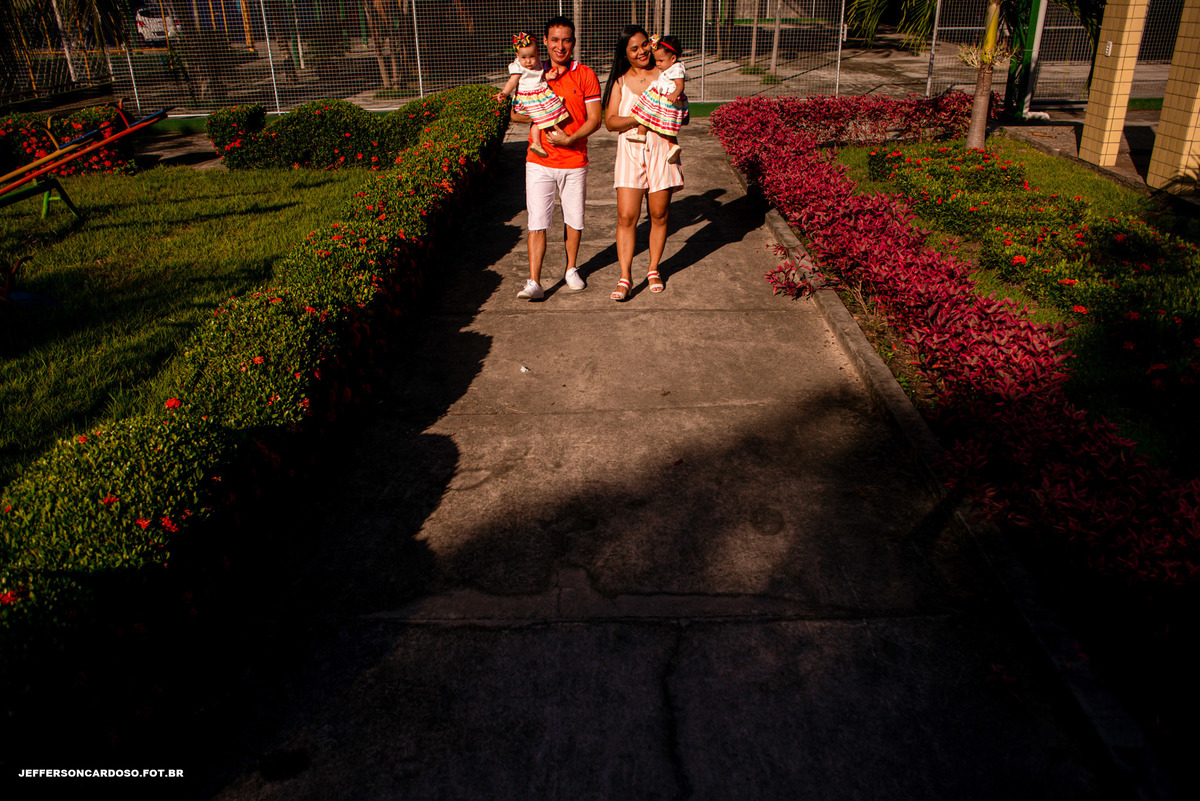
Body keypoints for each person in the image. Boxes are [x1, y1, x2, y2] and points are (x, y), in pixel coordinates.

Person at [511, 16, 603, 300]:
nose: (559, 46)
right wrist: (542, 111)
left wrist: (570, 139)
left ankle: (571, 269)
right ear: (545, 42)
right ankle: (534, 282)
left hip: (574, 161)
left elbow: (595, 119)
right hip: (539, 161)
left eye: (565, 40)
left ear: (573, 43)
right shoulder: (531, 72)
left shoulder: (585, 74)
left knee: (574, 219)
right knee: (537, 222)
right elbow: (515, 113)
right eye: (554, 40)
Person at [602, 25, 685, 301]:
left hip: (662, 149)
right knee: (627, 216)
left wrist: (676, 107)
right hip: (630, 150)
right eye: (634, 48)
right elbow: (610, 122)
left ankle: (653, 269)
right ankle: (625, 276)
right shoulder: (620, 82)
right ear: (625, 53)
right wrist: (639, 118)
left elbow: (683, 114)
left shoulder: (666, 74)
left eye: (644, 45)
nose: (642, 52)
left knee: (659, 214)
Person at [495, 32, 569, 158]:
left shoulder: (538, 64)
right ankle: (537, 142)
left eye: (532, 56)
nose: (528, 61)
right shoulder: (518, 67)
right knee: (540, 118)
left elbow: (539, 78)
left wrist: (548, 76)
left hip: (539, 94)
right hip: (528, 97)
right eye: (524, 57)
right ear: (517, 56)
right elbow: (512, 81)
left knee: (550, 112)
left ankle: (552, 134)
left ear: (537, 54)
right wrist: (505, 92)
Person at [626, 34, 686, 165]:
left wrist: (675, 94)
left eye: (661, 61)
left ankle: (671, 145)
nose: (657, 64)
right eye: (656, 60)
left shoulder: (677, 68)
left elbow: (680, 84)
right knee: (646, 111)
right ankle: (642, 133)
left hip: (668, 99)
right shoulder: (669, 66)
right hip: (661, 95)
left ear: (673, 58)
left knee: (663, 121)